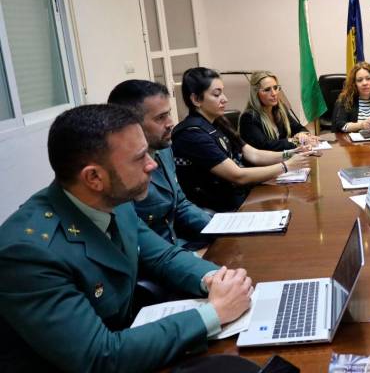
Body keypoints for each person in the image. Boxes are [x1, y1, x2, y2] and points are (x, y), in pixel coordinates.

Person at [0, 104, 253, 372]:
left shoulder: (114, 200)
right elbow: (98, 356)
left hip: (132, 344)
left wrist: (215, 280)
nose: (152, 164)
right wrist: (212, 314)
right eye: (140, 157)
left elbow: (163, 256)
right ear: (94, 177)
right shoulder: (27, 252)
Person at [172, 67, 315, 212]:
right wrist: (286, 166)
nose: (225, 99)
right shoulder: (192, 135)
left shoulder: (217, 122)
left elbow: (253, 154)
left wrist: (290, 154)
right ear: (196, 99)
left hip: (237, 197)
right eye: (216, 94)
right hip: (216, 210)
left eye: (223, 92)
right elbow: (237, 175)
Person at [108, 79, 211, 250]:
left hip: (178, 246)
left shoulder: (163, 148)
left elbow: (180, 204)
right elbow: (137, 241)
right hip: (153, 260)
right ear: (131, 124)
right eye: (161, 118)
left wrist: (219, 228)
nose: (171, 123)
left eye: (168, 113)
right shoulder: (119, 170)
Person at [239, 70, 319, 151]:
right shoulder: (249, 118)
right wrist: (298, 141)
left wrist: (302, 135)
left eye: (275, 88)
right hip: (264, 163)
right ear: (255, 94)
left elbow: (298, 128)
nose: (274, 93)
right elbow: (266, 145)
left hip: (283, 159)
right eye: (267, 90)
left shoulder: (281, 109)